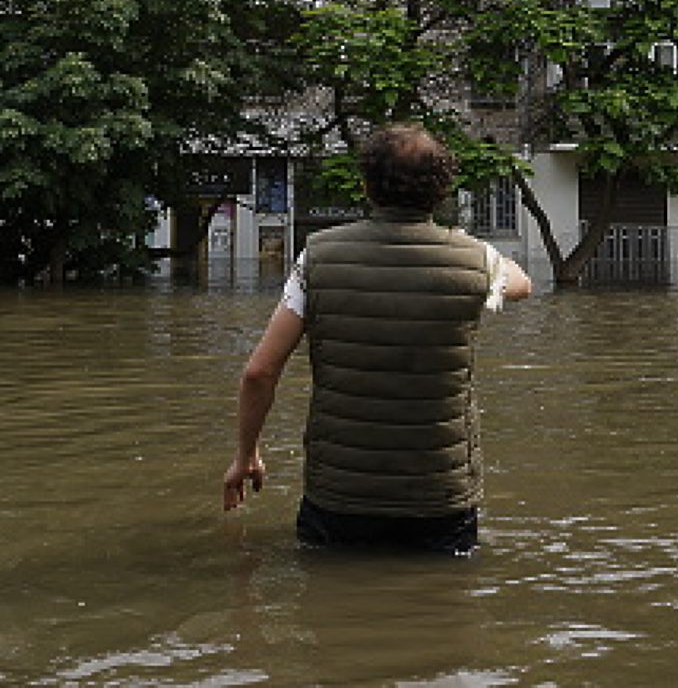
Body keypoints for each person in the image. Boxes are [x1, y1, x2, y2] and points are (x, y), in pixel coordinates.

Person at [222, 123, 532, 554]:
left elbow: (260, 371)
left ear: (367, 185)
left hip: (340, 494)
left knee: (328, 603)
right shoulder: (474, 261)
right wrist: (468, 247)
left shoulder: (318, 256)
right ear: (442, 191)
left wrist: (246, 455)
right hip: (440, 494)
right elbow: (522, 284)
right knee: (449, 609)